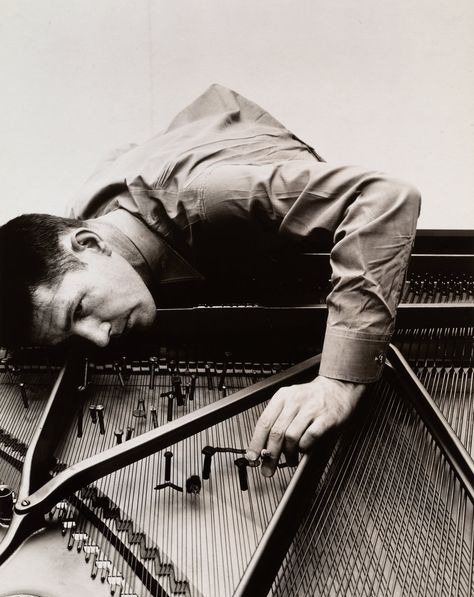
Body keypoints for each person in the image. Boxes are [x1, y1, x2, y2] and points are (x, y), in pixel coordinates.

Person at [0, 84, 421, 476]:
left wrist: (337, 383)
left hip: (243, 162)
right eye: (72, 335)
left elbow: (385, 196)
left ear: (90, 242)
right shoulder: (81, 219)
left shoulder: (211, 197)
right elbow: (118, 154)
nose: (100, 340)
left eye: (80, 309)